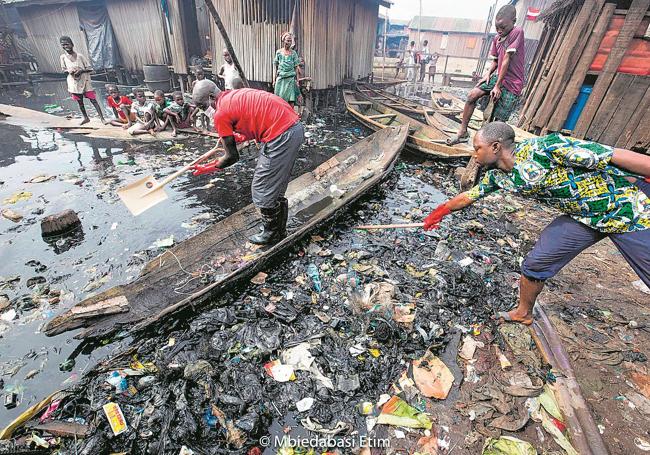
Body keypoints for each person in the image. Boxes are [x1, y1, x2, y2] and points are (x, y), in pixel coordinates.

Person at [424, 122, 650, 325]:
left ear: (495, 147)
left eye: (477, 149)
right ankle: (523, 313)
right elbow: (468, 196)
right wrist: (440, 212)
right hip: (584, 217)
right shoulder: (499, 177)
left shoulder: (544, 148)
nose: (474, 156)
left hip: (628, 207)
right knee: (536, 264)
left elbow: (611, 155)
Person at [190, 88, 304, 245]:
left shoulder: (220, 114)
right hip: (294, 128)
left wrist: (207, 168)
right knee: (275, 185)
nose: (204, 111)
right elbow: (253, 121)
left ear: (210, 97)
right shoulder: (232, 95)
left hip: (281, 135)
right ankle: (279, 230)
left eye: (203, 106)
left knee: (261, 188)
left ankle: (271, 233)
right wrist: (240, 136)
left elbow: (232, 157)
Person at [447, 5, 525, 145]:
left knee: (497, 120)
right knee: (472, 95)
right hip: (499, 78)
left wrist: (497, 86)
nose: (500, 31)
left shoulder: (517, 32)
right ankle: (463, 132)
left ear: (514, 21)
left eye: (503, 27)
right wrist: (488, 74)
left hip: (512, 83)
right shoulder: (496, 38)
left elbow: (507, 58)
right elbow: (496, 60)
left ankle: (489, 147)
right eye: (497, 27)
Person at [59, 36, 105, 125]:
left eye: (67, 44)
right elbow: (63, 70)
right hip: (74, 82)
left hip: (85, 81)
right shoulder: (63, 57)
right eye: (63, 45)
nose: (65, 46)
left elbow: (90, 69)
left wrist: (81, 70)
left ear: (72, 44)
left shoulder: (80, 56)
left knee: (93, 100)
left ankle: (102, 118)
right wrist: (69, 71)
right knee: (80, 102)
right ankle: (86, 118)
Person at [273, 32, 301, 106]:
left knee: (291, 100)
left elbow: (296, 67)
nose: (289, 42)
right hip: (281, 78)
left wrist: (297, 81)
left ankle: (290, 116)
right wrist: (274, 80)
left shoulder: (293, 53)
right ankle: (280, 116)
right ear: (283, 41)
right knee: (278, 99)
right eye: (288, 40)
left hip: (290, 79)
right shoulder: (278, 52)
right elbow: (275, 66)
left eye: (290, 41)